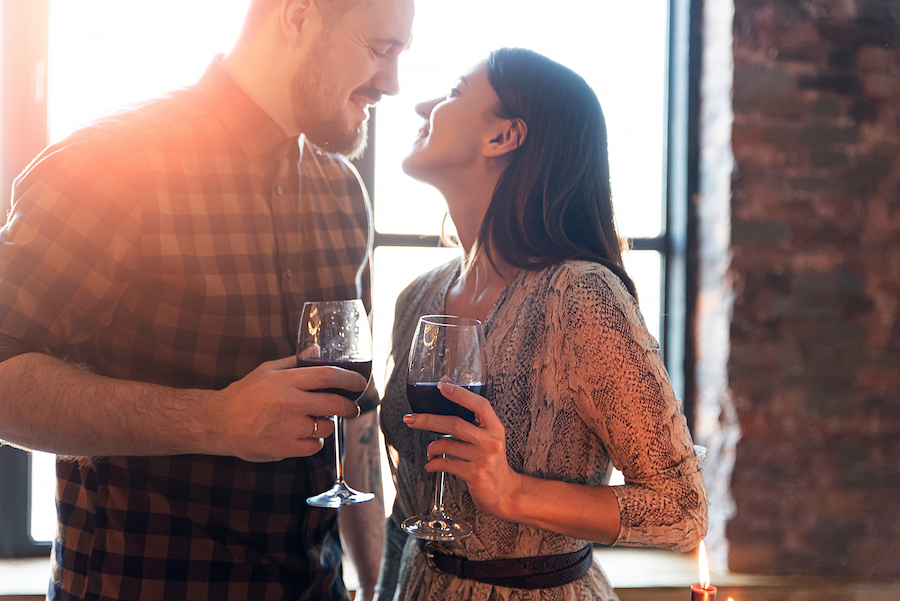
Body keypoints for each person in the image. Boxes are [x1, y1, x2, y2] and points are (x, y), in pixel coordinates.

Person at [0, 0, 414, 599]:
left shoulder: (343, 193)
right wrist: (214, 420)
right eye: (381, 49)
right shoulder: (111, 162)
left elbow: (354, 411)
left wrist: (377, 585)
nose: (394, 83)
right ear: (297, 18)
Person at [375, 48, 709, 601]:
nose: (421, 105)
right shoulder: (418, 298)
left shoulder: (579, 296)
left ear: (504, 137)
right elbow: (407, 511)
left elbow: (682, 509)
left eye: (454, 92)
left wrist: (513, 493)